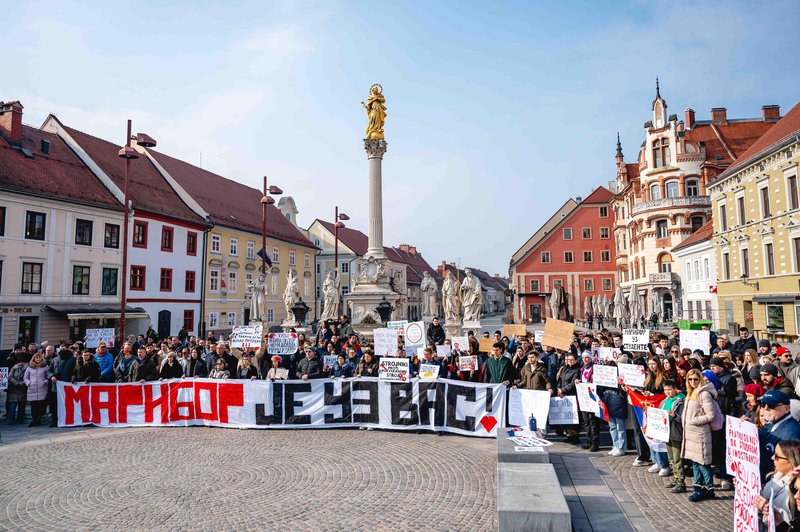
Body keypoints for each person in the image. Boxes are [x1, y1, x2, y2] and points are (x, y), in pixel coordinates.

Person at [681, 368, 720, 502]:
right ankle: (698, 488)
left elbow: (710, 415)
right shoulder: (690, 393)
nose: (692, 382)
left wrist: (694, 421)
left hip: (700, 433)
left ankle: (709, 489)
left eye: (695, 379)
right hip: (691, 434)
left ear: (701, 379)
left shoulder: (704, 394)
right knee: (695, 463)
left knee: (703, 463)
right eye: (690, 379)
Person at [754, 440, 800, 529]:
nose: (772, 457)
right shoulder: (777, 476)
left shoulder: (792, 493)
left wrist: (767, 508)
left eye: (777, 456)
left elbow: (787, 523)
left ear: (791, 461)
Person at [759, 390, 800, 482]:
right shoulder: (770, 423)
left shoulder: (792, 433)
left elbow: (792, 466)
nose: (766, 408)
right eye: (763, 404)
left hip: (774, 483)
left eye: (771, 405)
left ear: (786, 409)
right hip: (763, 479)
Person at [661, 379, 686, 493]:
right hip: (667, 433)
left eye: (669, 390)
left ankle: (681, 481)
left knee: (677, 458)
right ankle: (676, 478)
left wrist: (674, 415)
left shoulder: (680, 401)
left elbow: (683, 419)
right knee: (671, 458)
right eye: (665, 390)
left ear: (675, 389)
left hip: (676, 432)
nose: (667, 392)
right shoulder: (665, 401)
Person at [555, 352, 582, 444]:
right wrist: (559, 389)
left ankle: (575, 437)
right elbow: (560, 380)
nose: (570, 361)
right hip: (563, 394)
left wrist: (563, 390)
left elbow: (573, 383)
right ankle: (569, 435)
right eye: (568, 360)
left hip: (571, 394)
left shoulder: (578, 369)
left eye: (572, 360)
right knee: (566, 417)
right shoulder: (564, 368)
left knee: (573, 417)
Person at [24, 353, 51, 427]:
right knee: (33, 406)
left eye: (39, 358)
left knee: (41, 405)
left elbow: (48, 375)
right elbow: (25, 378)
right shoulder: (30, 367)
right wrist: (29, 383)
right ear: (34, 359)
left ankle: (39, 419)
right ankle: (33, 420)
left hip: (42, 388)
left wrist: (45, 382)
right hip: (32, 389)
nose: (38, 359)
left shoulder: (45, 367)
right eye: (36, 358)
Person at [7, 358, 28, 424]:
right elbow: (10, 377)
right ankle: (10, 420)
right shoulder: (14, 368)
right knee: (12, 405)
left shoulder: (27, 368)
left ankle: (20, 419)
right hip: (14, 389)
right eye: (19, 362)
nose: (21, 363)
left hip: (23, 389)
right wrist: (16, 383)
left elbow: (28, 377)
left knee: (21, 406)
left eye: (22, 362)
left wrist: (21, 383)